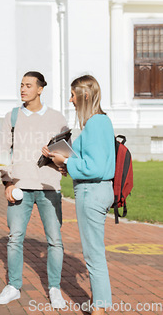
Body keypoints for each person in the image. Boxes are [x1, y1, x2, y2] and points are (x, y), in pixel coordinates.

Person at [0, 71, 68, 309]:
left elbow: (65, 155)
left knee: (55, 241)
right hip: (19, 187)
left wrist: (62, 164)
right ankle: (14, 286)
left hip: (49, 187)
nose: (23, 89)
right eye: (21, 85)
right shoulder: (12, 116)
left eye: (28, 85)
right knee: (15, 239)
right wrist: (7, 182)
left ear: (40, 89)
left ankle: (55, 288)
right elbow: (3, 152)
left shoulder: (57, 118)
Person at [43, 75, 115, 315]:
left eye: (73, 94)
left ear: (84, 95)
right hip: (99, 189)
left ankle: (100, 309)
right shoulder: (101, 122)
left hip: (92, 191)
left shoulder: (95, 123)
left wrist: (65, 159)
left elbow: (93, 167)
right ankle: (98, 304)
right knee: (95, 252)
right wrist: (62, 162)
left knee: (94, 255)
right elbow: (94, 163)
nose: (70, 99)